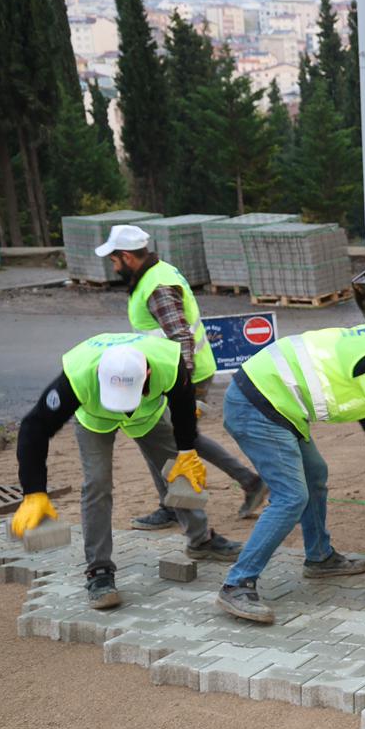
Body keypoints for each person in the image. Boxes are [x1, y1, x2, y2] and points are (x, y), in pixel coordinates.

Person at [211, 313, 365, 623]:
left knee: (314, 474)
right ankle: (237, 584)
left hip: (274, 403)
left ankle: (319, 557)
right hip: (257, 406)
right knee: (290, 497)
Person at [10, 332, 243, 609]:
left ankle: (200, 541)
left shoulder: (169, 362)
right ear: (99, 373)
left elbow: (182, 406)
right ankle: (99, 571)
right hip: (96, 420)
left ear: (146, 373)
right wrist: (34, 492)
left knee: (181, 473)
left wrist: (186, 451)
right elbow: (33, 428)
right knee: (97, 483)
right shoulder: (77, 376)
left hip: (149, 415)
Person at [95, 224, 269, 529]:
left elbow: (180, 336)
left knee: (157, 436)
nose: (113, 266)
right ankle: (249, 482)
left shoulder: (157, 286)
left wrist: (182, 388)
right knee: (182, 437)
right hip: (179, 373)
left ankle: (176, 506)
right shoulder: (158, 273)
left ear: (126, 256)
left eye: (114, 260)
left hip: (182, 376)